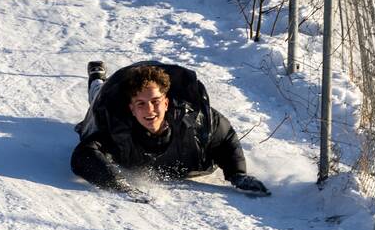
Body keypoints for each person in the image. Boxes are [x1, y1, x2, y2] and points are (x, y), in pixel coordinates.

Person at [71, 60, 270, 201]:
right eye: (141, 104)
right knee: (98, 97)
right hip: (109, 95)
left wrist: (237, 174)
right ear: (131, 108)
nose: (149, 110)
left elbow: (225, 137)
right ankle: (96, 78)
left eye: (155, 102)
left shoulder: (195, 120)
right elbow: (84, 155)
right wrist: (118, 184)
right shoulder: (114, 125)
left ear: (166, 102)